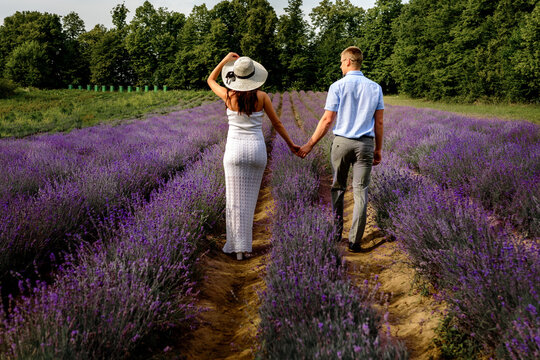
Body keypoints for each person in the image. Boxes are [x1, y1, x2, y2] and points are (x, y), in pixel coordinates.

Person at [208, 52, 299, 260]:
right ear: (253, 77)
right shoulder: (262, 97)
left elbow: (210, 80)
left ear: (236, 77)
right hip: (256, 151)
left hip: (234, 151)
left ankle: (235, 248)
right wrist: (292, 145)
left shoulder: (229, 96)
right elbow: (277, 124)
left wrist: (224, 61)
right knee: (250, 201)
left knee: (233, 201)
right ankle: (245, 247)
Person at [296, 46, 384, 253]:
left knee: (338, 187)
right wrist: (378, 150)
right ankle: (355, 241)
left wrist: (309, 144)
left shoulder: (337, 86)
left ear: (347, 61)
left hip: (342, 143)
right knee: (361, 191)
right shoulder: (375, 87)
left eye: (340, 62)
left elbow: (327, 120)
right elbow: (379, 123)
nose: (340, 66)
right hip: (365, 144)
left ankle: (336, 234)